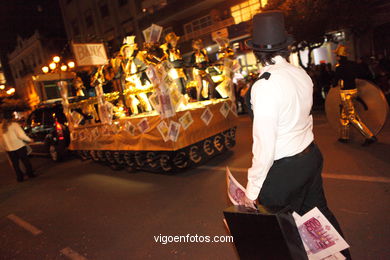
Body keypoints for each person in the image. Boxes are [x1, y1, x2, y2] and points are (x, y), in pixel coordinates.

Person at [240, 11, 351, 259]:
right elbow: (306, 117)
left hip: (285, 170)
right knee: (319, 217)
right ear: (285, 47)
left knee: (283, 234)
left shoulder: (265, 85)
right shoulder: (300, 73)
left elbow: (265, 146)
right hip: (310, 156)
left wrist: (252, 190)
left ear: (256, 52)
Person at [332, 44, 377, 146]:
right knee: (344, 115)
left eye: (337, 55)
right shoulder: (352, 64)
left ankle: (369, 136)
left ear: (339, 56)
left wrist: (334, 83)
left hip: (345, 93)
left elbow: (335, 82)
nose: (336, 57)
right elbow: (362, 74)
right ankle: (344, 136)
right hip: (354, 91)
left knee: (352, 117)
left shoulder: (339, 67)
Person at [0, 112, 35, 182]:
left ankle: (20, 177)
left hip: (9, 149)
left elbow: (1, 139)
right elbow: (21, 135)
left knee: (15, 164)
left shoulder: (1, 127)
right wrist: (30, 140)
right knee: (25, 161)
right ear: (11, 118)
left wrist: (3, 147)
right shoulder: (14, 125)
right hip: (19, 146)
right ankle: (30, 174)